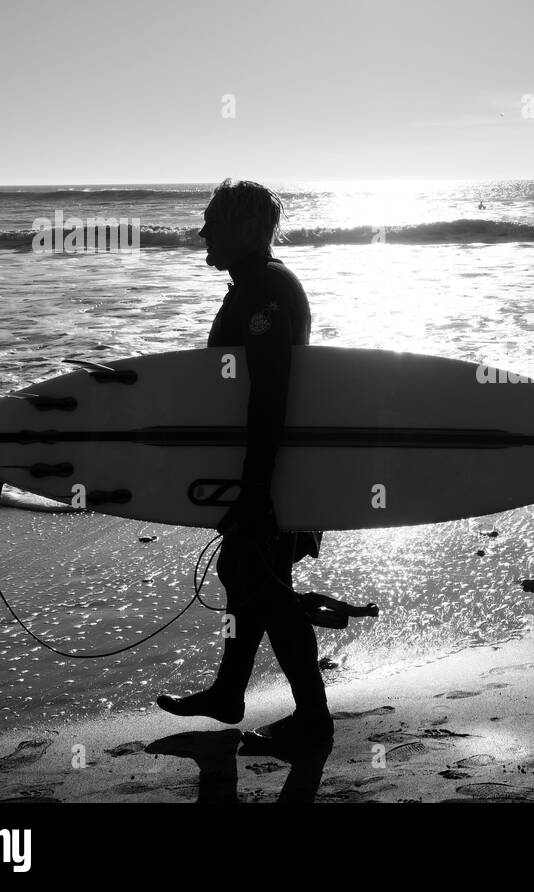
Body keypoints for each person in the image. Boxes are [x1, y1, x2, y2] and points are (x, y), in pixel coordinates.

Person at [156, 179, 332, 749]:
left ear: (248, 229)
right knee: (246, 577)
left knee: (262, 584)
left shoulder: (264, 292)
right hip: (268, 469)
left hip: (276, 474)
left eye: (214, 221)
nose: (203, 231)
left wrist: (257, 486)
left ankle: (313, 719)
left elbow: (270, 394)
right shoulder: (254, 286)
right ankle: (230, 691)